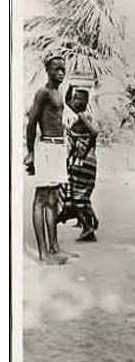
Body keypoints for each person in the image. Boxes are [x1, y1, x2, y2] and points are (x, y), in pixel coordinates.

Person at [24, 52, 69, 265]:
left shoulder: (59, 94)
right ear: (48, 71)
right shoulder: (43, 93)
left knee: (52, 199)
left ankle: (54, 248)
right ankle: (43, 253)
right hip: (46, 148)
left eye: (63, 68)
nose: (60, 72)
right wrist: (31, 152)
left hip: (58, 148)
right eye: (56, 69)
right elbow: (31, 123)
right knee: (41, 199)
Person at [58, 85, 98, 242]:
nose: (74, 101)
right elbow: (67, 101)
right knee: (81, 194)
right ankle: (91, 222)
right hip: (86, 160)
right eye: (74, 98)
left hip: (83, 160)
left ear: (84, 102)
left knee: (76, 197)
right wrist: (70, 87)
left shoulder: (82, 116)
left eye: (78, 99)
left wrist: (85, 149)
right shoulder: (83, 114)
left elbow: (94, 133)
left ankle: (88, 229)